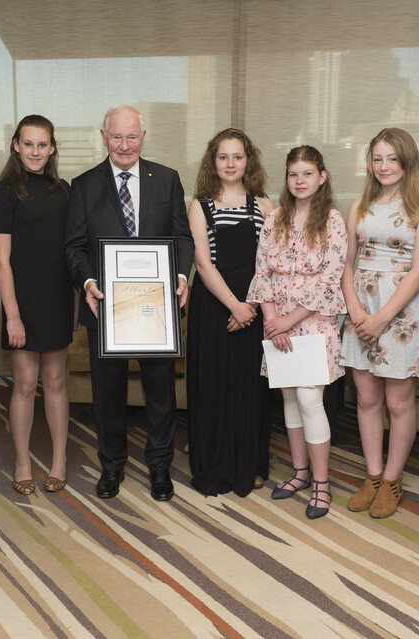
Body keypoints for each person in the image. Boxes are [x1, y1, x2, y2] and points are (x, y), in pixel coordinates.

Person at [64, 105, 194, 501]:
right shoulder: (83, 185)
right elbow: (74, 246)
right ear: (103, 136)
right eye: (116, 136)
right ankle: (112, 465)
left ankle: (159, 467)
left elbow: (182, 237)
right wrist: (87, 280)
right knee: (108, 393)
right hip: (106, 308)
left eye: (132, 136)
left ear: (143, 136)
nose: (124, 145)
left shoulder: (167, 179)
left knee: (160, 392)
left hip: (157, 309)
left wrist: (182, 274)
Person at [339, 128, 419, 519]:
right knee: (366, 399)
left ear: (407, 161)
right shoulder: (359, 203)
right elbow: (346, 263)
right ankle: (373, 475)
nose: (384, 166)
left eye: (392, 159)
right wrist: (357, 312)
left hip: (399, 315)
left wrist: (380, 318)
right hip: (359, 310)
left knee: (398, 401)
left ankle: (394, 479)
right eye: (377, 159)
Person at [247, 145, 347, 519]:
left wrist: (287, 322)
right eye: (293, 174)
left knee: (309, 401)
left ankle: (321, 483)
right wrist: (272, 322)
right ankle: (300, 473)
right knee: (289, 400)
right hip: (277, 325)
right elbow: (263, 273)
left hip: (313, 323)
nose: (300, 181)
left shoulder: (333, 221)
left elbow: (329, 279)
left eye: (307, 173)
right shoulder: (274, 219)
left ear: (321, 177)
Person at [186, 128, 274, 497]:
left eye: (238, 157)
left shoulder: (266, 205)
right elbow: (203, 266)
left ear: (248, 161)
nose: (230, 164)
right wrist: (234, 306)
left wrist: (250, 306)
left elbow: (271, 264)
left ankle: (249, 464)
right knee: (213, 388)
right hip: (213, 307)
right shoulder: (199, 204)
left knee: (250, 390)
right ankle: (214, 466)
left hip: (255, 308)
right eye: (223, 157)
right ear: (213, 161)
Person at [0, 115, 74, 495]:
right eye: (28, 144)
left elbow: (71, 252)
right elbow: (0, 260)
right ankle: (22, 463)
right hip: (21, 301)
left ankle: (59, 461)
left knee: (55, 381)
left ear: (52, 148)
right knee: (24, 383)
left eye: (43, 145)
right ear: (16, 145)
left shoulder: (64, 190)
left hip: (57, 297)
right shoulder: (5, 192)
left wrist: (73, 305)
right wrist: (13, 316)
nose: (35, 152)